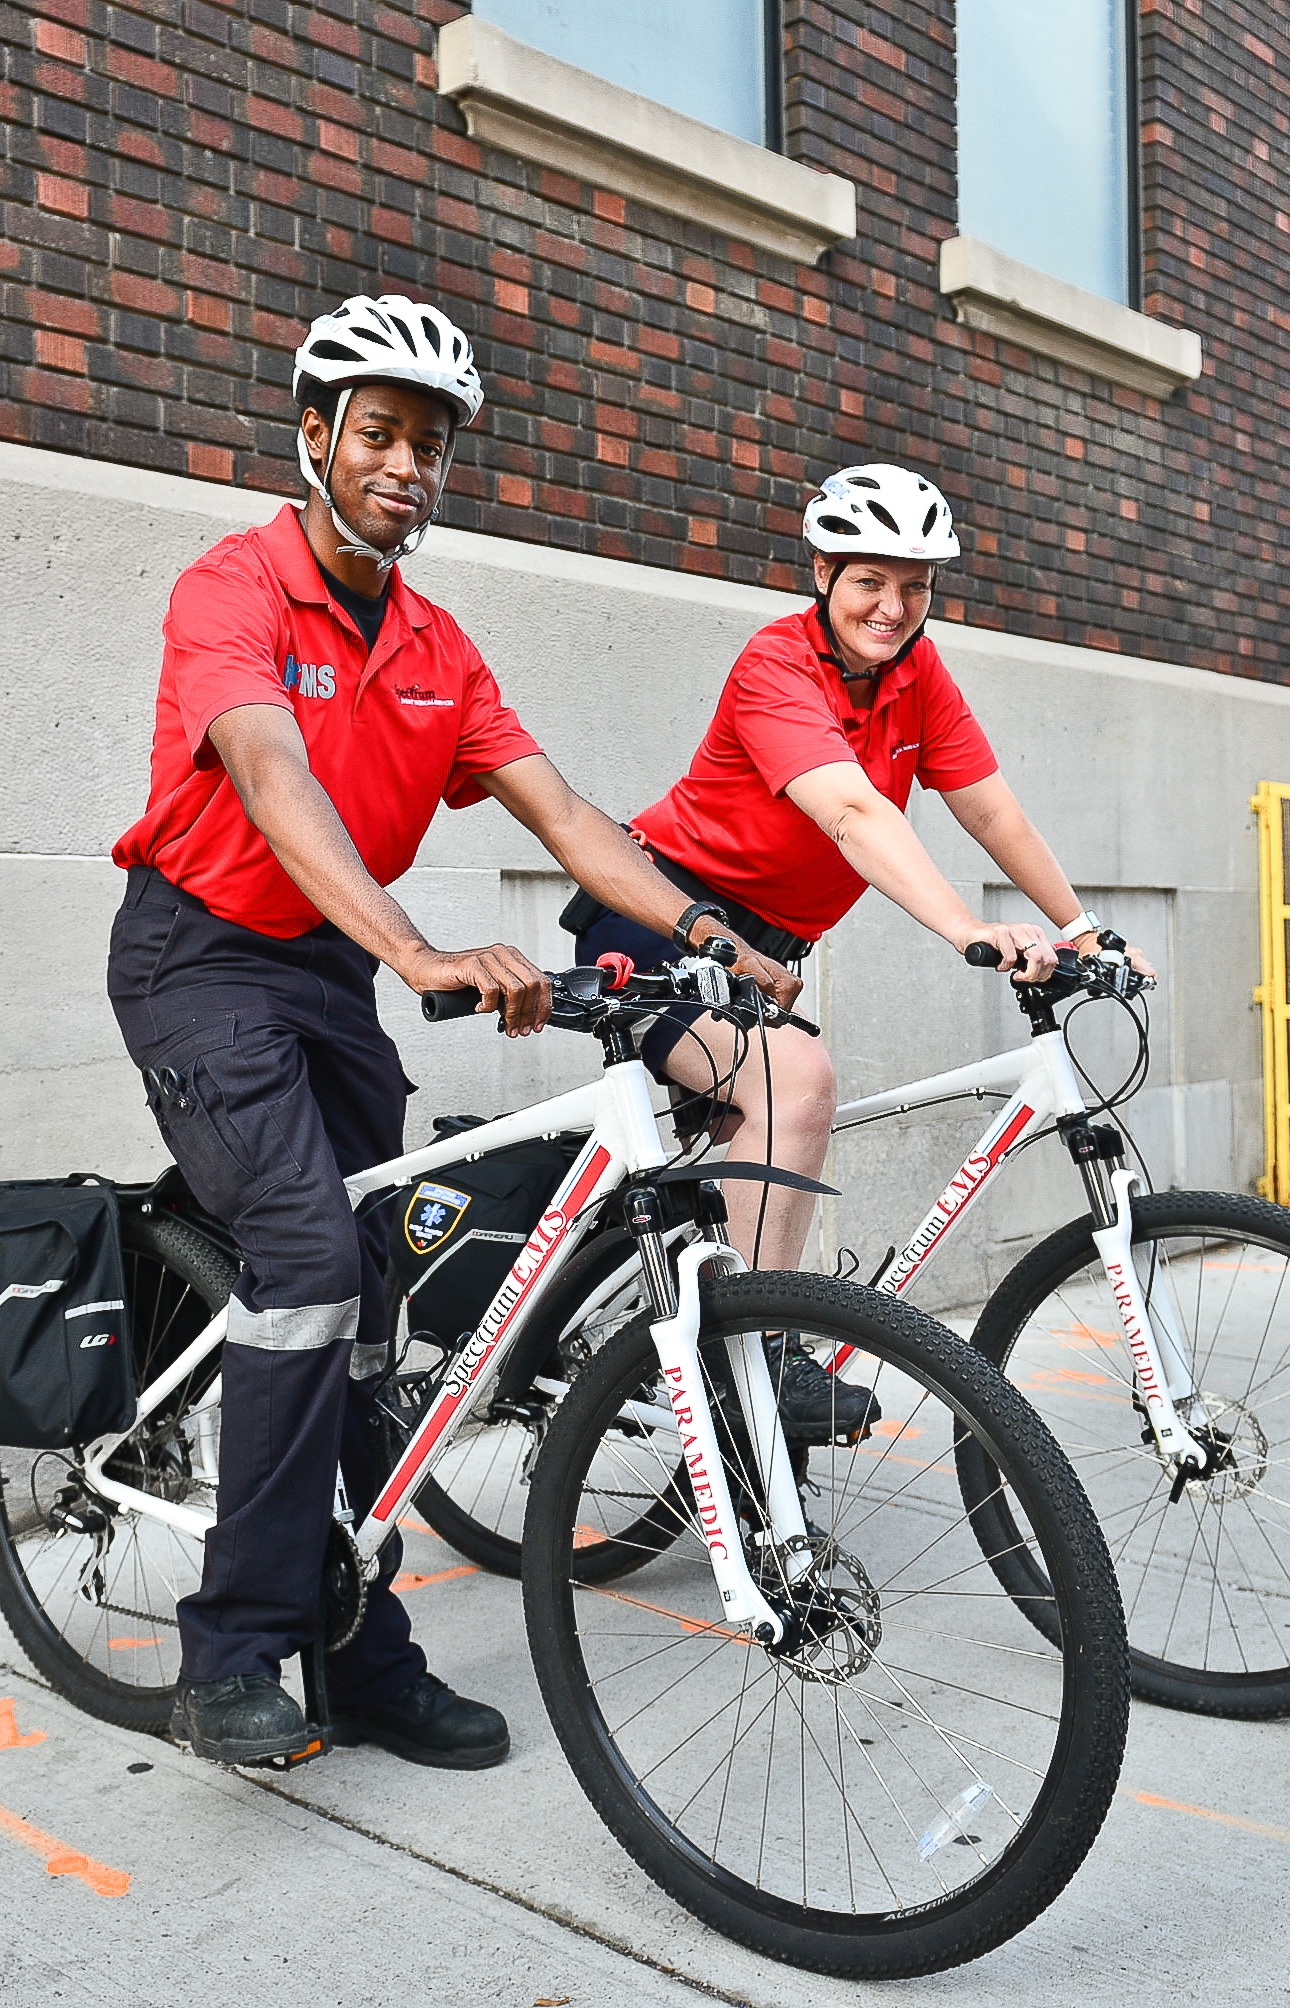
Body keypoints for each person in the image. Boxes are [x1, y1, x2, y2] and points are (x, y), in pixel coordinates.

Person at [109, 294, 796, 1773]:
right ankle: (230, 1651)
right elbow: (275, 782)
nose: (407, 464)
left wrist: (710, 939)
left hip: (326, 974)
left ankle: (362, 1653)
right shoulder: (230, 590)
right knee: (306, 1258)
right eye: (379, 432)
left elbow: (570, 819)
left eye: (430, 443)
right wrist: (414, 945)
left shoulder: (436, 644)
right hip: (202, 961)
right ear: (315, 437)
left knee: (372, 1312)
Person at [571, 464, 1160, 1337]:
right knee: (798, 1086)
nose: (892, 607)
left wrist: (1081, 928)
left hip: (765, 952)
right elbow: (850, 812)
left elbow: (990, 808)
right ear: (822, 575)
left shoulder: (918, 674)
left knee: (759, 1128)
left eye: (914, 588)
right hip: (660, 918)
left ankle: (722, 1387)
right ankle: (754, 1360)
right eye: (870, 582)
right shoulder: (775, 663)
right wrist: (965, 927)